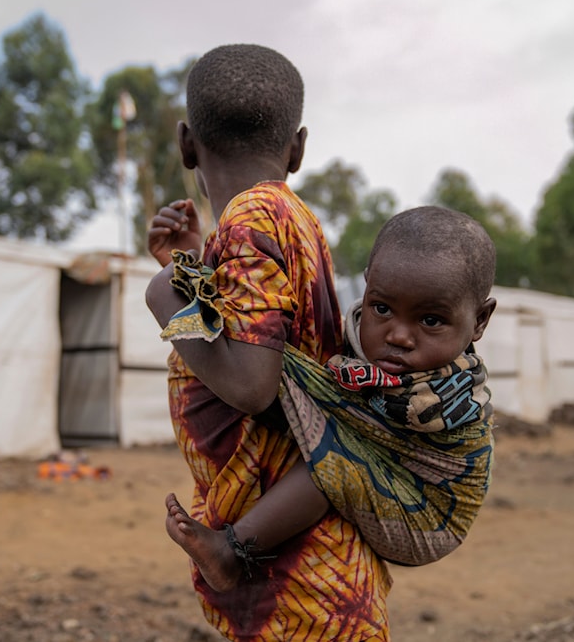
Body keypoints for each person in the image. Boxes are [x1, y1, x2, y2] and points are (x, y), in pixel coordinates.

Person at [144, 44, 391, 641]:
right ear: (298, 148)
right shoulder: (288, 219)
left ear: (185, 144)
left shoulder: (251, 219)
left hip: (301, 579)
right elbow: (253, 331)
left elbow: (253, 385)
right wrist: (187, 266)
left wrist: (165, 300)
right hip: (306, 568)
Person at [162, 206, 497, 589]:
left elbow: (327, 402)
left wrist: (257, 355)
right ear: (369, 288)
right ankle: (196, 290)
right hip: (384, 477)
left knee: (330, 457)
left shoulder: (450, 390)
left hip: (428, 515)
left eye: (431, 320)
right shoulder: (358, 332)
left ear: (480, 320)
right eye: (382, 308)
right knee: (304, 404)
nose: (398, 336)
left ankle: (231, 553)